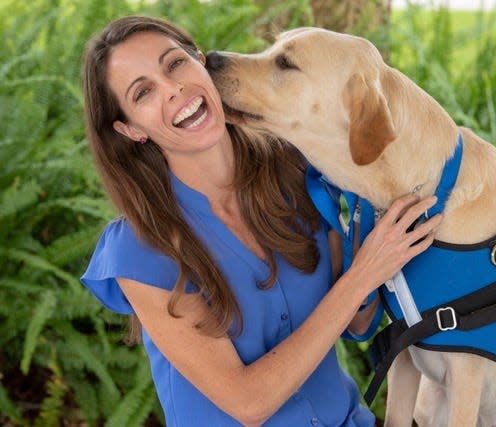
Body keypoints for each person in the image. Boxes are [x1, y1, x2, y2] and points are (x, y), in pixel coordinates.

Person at [80, 15, 441, 427]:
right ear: (129, 129)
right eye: (143, 92)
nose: (174, 88)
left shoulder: (297, 171)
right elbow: (248, 402)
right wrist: (363, 274)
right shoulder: (140, 250)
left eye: (175, 64)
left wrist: (374, 236)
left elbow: (358, 322)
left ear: (200, 60)